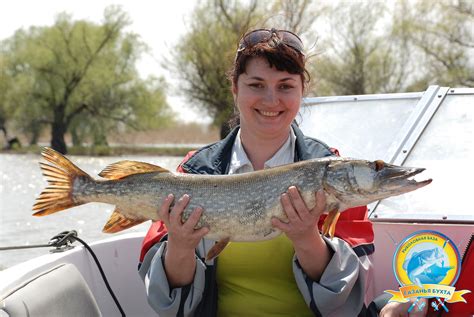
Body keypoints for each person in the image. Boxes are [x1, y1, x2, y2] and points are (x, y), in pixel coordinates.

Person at [138, 28, 375, 317]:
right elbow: (167, 304)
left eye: (285, 86)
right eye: (257, 85)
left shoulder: (334, 171)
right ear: (235, 89)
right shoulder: (194, 169)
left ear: (302, 91)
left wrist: (307, 240)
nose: (271, 100)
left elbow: (349, 301)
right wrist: (179, 246)